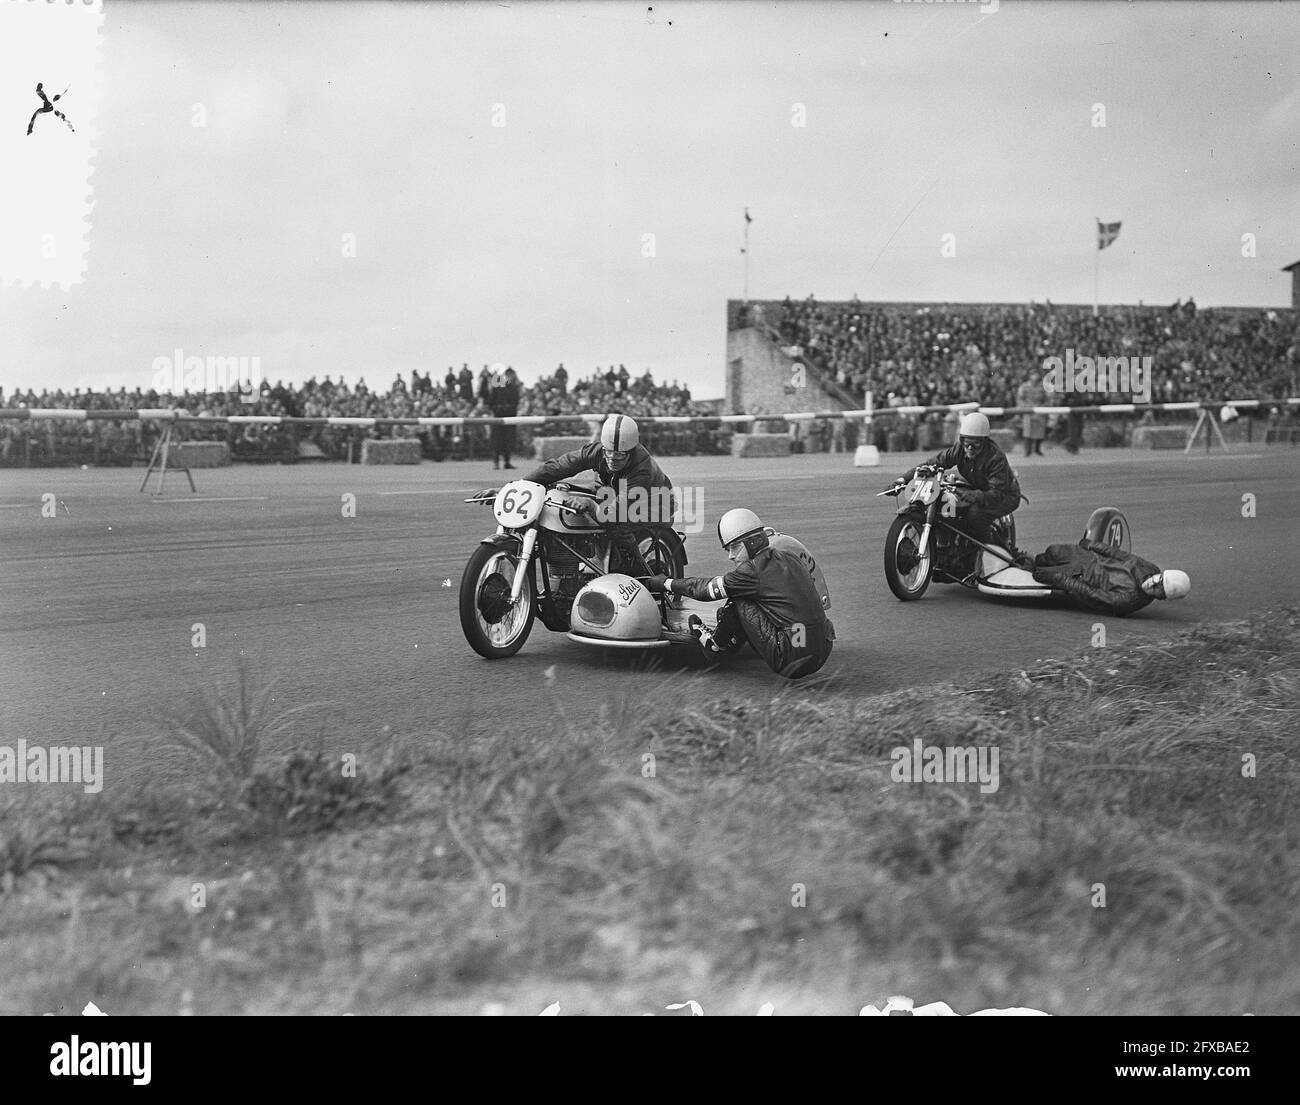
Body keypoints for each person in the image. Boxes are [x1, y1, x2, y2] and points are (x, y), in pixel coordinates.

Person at [638, 509, 834, 679]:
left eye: (734, 547)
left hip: (790, 659)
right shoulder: (790, 556)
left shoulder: (752, 571)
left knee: (738, 595)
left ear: (752, 542)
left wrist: (666, 583)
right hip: (824, 649)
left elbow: (703, 590)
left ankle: (716, 646)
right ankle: (734, 637)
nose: (731, 555)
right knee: (759, 597)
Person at [522, 414, 674, 574]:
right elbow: (559, 466)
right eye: (608, 452)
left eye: (620, 455)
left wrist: (590, 504)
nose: (612, 459)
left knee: (617, 525)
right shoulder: (596, 452)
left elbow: (612, 515)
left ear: (631, 451)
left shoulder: (642, 470)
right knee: (563, 490)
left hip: (655, 505)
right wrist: (522, 484)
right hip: (613, 492)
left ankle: (637, 569)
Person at [893, 411, 1030, 571]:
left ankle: (1002, 554)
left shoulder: (995, 458)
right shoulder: (959, 449)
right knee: (946, 504)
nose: (970, 447)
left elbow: (997, 493)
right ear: (961, 439)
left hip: (1005, 495)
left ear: (985, 442)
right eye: (966, 442)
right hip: (976, 486)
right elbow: (933, 463)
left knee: (975, 515)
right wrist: (903, 479)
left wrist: (974, 495)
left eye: (976, 444)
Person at [1031, 540, 1190, 617]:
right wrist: (1094, 545)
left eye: (1158, 589)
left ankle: (1028, 566)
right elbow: (1120, 554)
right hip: (1088, 558)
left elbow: (1091, 594)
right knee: (1052, 551)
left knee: (1038, 574)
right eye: (1159, 579)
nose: (1153, 583)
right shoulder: (1150, 569)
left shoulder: (1129, 600)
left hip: (1079, 577)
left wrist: (1062, 580)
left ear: (1160, 597)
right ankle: (1028, 560)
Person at [488, 364, 520, 470]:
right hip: (498, 416)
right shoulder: (497, 388)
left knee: (508, 441)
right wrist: (498, 409)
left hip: (510, 416)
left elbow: (516, 402)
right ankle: (496, 462)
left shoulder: (514, 388)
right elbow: (491, 402)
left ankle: (507, 462)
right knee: (497, 441)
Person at [1016, 372, 1047, 456]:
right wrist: (1023, 408)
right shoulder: (1024, 387)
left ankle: (1037, 448)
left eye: (1036, 380)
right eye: (1033, 380)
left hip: (1039, 411)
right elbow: (1020, 399)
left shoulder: (1042, 387)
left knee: (1040, 431)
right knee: (1027, 431)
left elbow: (1046, 399)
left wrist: (1043, 407)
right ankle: (1027, 450)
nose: (1035, 382)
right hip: (1028, 410)